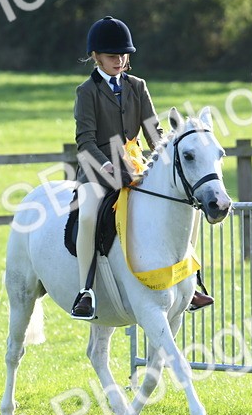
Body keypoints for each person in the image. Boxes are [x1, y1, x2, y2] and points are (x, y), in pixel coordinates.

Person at [70, 16, 214, 320]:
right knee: (87, 216)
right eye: (112, 56)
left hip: (136, 168)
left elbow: (154, 132)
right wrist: (109, 167)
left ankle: (191, 282)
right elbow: (85, 141)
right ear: (95, 56)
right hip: (97, 172)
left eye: (123, 55)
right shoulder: (87, 91)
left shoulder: (138, 86)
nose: (119, 60)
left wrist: (164, 157)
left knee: (191, 207)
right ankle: (85, 291)